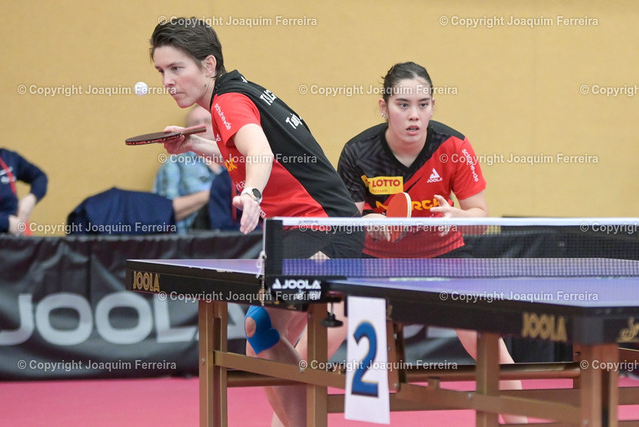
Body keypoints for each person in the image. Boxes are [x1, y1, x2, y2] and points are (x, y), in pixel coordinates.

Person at [149, 18, 361, 426]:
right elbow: (245, 153)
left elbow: (259, 153)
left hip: (319, 230)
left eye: (177, 68)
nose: (168, 81)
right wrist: (195, 144)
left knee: (260, 328)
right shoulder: (239, 90)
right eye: (161, 71)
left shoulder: (227, 102)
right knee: (267, 334)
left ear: (208, 64)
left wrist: (252, 194)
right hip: (324, 229)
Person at [338, 62, 527, 424]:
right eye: (403, 105)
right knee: (327, 337)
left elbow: (480, 219)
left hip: (444, 257)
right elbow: (347, 223)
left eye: (423, 105)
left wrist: (459, 217)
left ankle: (519, 422)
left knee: (485, 339)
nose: (414, 115)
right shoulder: (358, 151)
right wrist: (366, 222)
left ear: (432, 106)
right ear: (383, 107)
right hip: (374, 263)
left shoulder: (453, 146)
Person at [152, 106, 234, 233]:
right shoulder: (175, 164)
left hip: (236, 238)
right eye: (195, 123)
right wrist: (217, 192)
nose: (202, 127)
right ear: (187, 131)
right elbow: (162, 212)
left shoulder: (235, 159)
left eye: (207, 121)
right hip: (190, 240)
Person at [0, 148, 47, 235]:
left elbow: (39, 177)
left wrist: (31, 198)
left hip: (14, 235)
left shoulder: (8, 157)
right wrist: (6, 223)